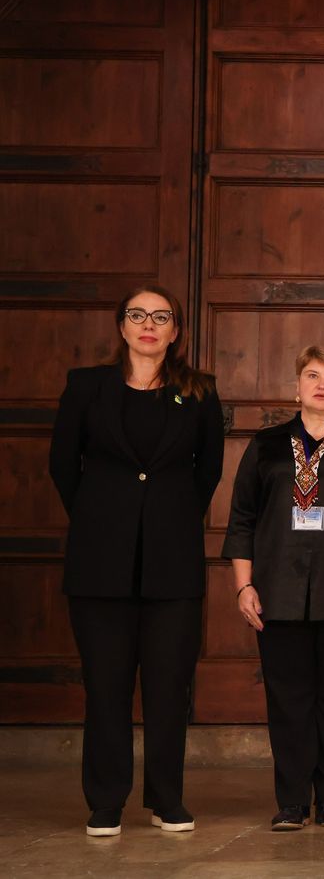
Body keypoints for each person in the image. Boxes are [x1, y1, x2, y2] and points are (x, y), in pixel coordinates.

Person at [49, 285, 224, 837]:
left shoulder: (199, 392)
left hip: (172, 564)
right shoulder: (85, 387)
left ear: (175, 332)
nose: (149, 324)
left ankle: (167, 799)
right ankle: (105, 801)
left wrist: (164, 518)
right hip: (99, 562)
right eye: (137, 315)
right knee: (105, 686)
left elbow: (207, 474)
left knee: (169, 687)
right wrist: (107, 516)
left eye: (161, 317)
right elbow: (62, 466)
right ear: (122, 326)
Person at [223, 346, 324, 831]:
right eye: (312, 375)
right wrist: (243, 586)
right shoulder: (267, 444)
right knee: (288, 697)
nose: (322, 384)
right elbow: (242, 519)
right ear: (296, 385)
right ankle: (292, 800)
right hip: (279, 589)